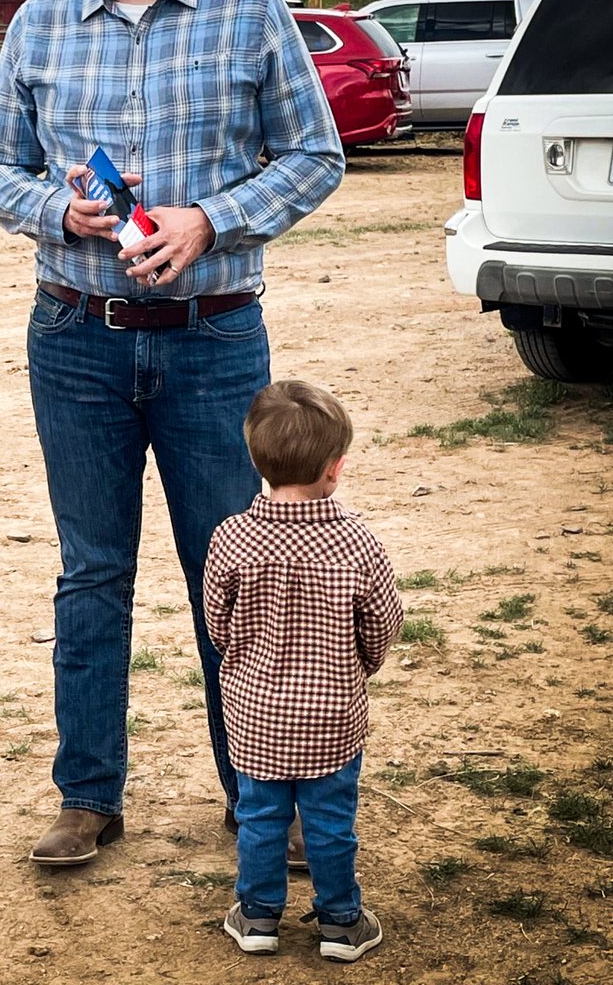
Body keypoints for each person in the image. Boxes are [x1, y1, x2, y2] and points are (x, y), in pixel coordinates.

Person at [0, 0, 344, 865]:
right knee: (91, 574)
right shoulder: (40, 24)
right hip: (75, 337)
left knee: (230, 569)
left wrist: (209, 221)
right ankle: (87, 798)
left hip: (214, 341)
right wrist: (58, 212)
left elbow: (314, 155)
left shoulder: (247, 6)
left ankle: (256, 794)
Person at [203, 381, 403, 962]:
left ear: (257, 460)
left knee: (260, 815)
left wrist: (243, 661)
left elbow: (216, 621)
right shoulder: (358, 542)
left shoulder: (232, 537)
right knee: (331, 820)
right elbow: (382, 621)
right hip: (332, 715)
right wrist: (359, 666)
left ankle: (259, 915)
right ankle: (341, 921)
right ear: (335, 468)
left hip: (255, 712)